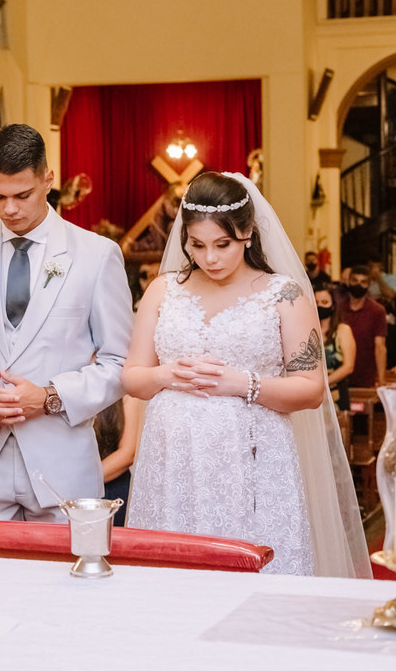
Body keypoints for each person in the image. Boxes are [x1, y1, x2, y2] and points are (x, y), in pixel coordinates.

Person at [124, 171, 369, 578]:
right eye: (197, 245)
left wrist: (242, 384)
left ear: (248, 233)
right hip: (173, 458)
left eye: (223, 244)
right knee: (170, 575)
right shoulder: (164, 289)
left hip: (254, 456)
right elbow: (132, 377)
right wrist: (168, 375)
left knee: (250, 571)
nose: (210, 258)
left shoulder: (283, 294)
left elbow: (311, 389)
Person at [0, 124, 133, 522]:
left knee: (66, 566)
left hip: (62, 467)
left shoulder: (96, 255)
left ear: (47, 179)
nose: (9, 209)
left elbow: (121, 363)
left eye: (22, 195)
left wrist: (51, 397)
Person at [92, 397, 144, 526]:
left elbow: (127, 454)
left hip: (112, 489)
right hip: (64, 487)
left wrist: (82, 482)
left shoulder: (128, 393)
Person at [339, 264, 388, 388]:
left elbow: (380, 346)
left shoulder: (377, 311)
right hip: (339, 377)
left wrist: (381, 380)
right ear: (348, 282)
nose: (358, 285)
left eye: (363, 282)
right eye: (355, 280)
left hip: (366, 378)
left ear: (368, 285)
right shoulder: (338, 308)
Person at [315, 281, 355, 410]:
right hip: (312, 394)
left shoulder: (342, 330)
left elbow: (348, 367)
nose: (320, 306)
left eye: (324, 302)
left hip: (336, 393)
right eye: (316, 302)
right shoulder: (308, 330)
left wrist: (324, 383)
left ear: (333, 305)